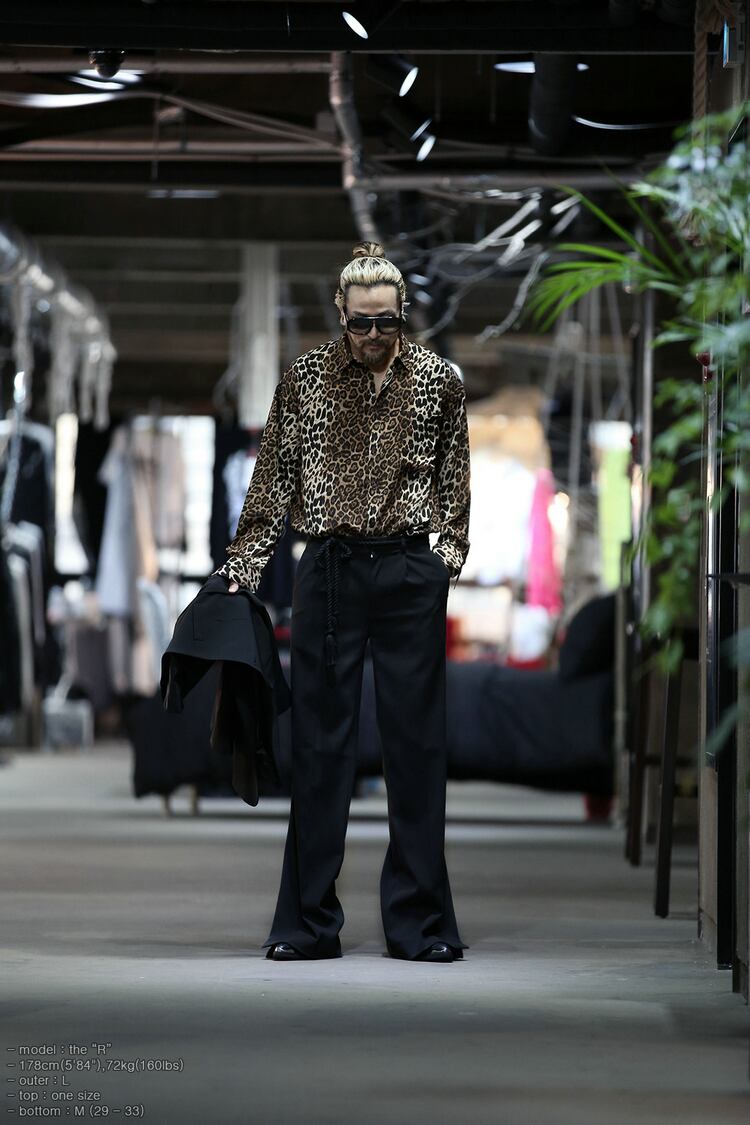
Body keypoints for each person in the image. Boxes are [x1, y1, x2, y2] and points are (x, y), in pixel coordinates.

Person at [215, 242, 471, 963]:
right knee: (321, 748)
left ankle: (421, 924)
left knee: (416, 748)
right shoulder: (305, 381)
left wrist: (444, 562)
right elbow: (271, 483)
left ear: (402, 314)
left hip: (407, 568)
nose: (373, 335)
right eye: (361, 322)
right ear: (341, 312)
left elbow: (456, 478)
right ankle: (306, 923)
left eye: (386, 322)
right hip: (328, 569)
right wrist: (243, 568)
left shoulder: (438, 382)